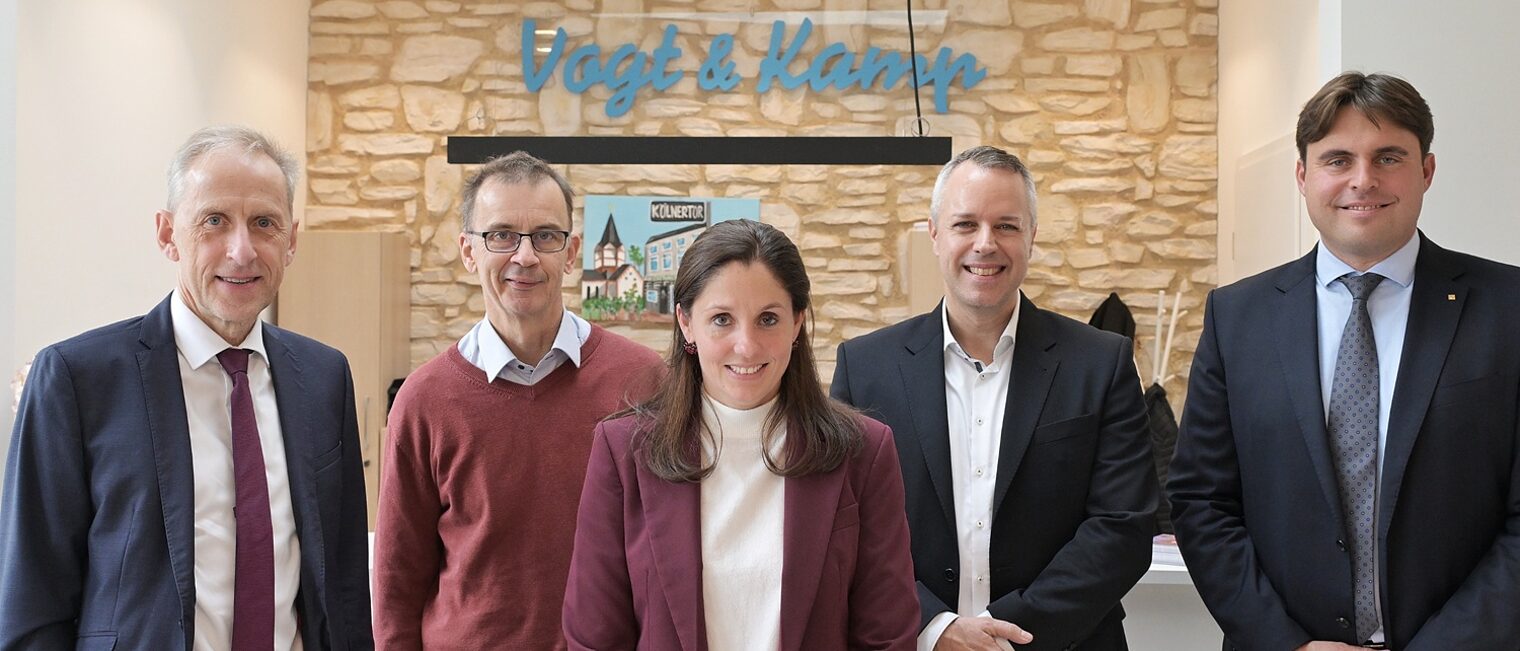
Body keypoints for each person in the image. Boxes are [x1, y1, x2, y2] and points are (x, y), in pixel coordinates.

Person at [1169, 71, 1520, 651]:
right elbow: (1202, 502)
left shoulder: (1507, 309)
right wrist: (1288, 644)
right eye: (1337, 160)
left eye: (1388, 157)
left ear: (1427, 171)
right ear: (1303, 176)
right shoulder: (1238, 318)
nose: (1363, 180)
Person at [0, 126, 373, 649]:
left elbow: (345, 584)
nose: (241, 251)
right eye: (214, 222)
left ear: (290, 242)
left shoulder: (324, 376)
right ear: (167, 233)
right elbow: (30, 597)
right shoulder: (76, 378)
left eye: (264, 223)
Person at [831, 146, 1156, 651]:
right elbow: (847, 529)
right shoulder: (866, 368)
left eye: (1006, 226)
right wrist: (936, 627)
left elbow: (1124, 528)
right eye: (965, 224)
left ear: (1032, 237)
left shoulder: (1102, 363)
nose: (986, 244)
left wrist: (1008, 634)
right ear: (935, 234)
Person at [563, 219, 919, 650]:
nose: (746, 345)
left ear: (797, 324)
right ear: (686, 323)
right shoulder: (622, 452)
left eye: (768, 318)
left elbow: (887, 636)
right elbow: (594, 636)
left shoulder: (865, 452)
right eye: (722, 319)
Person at [373, 152, 663, 649]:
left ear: (571, 253)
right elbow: (397, 583)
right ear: (469, 251)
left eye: (545, 236)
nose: (524, 256)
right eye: (501, 235)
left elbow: (668, 554)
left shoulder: (644, 383)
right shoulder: (424, 401)